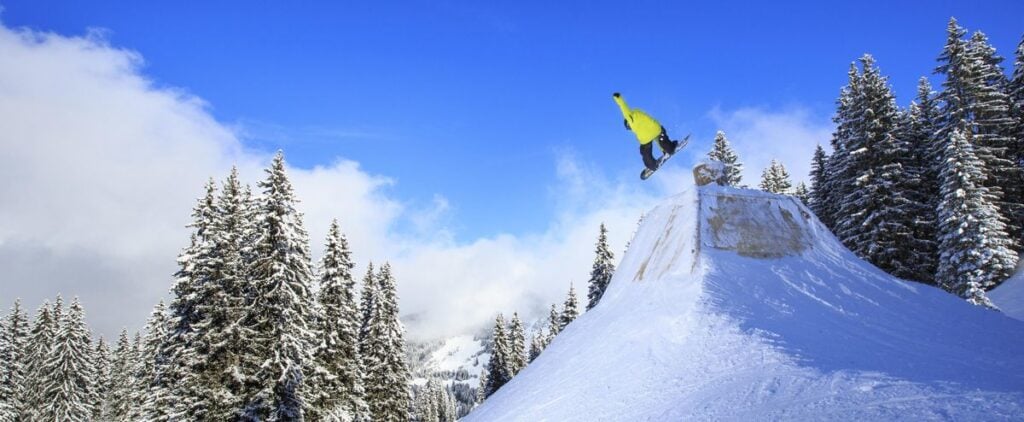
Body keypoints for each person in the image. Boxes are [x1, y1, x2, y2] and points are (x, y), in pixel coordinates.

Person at [612, 92, 679, 171]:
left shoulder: (630, 119)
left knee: (645, 152)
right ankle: (669, 148)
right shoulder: (638, 112)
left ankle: (652, 165)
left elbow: (623, 107)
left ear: (628, 123)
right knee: (660, 138)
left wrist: (618, 98)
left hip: (645, 139)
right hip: (655, 128)